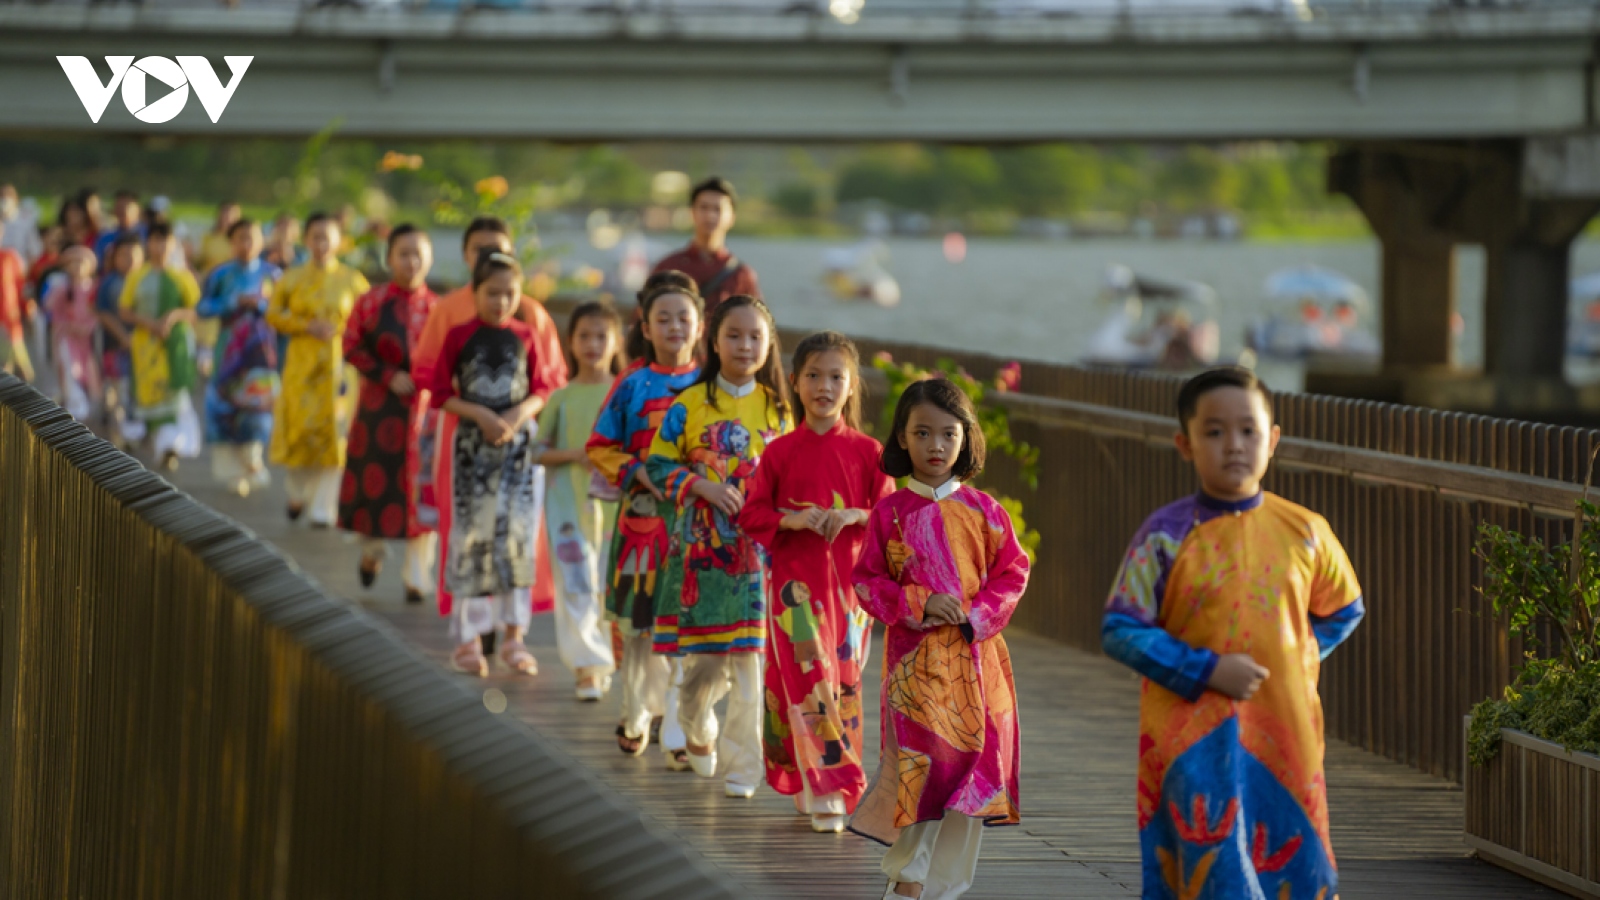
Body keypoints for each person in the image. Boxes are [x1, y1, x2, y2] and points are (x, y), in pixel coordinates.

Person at [1101, 367, 1365, 900]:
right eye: (1215, 431)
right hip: (1190, 737)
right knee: (1210, 869)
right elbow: (1122, 627)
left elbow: (1344, 608)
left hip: (1284, 735)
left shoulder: (1307, 532)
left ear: (1273, 439)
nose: (1235, 445)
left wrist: (1293, 660)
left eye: (1249, 430)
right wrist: (1206, 670)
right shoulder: (1165, 535)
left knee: (1298, 867)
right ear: (1185, 444)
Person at [851, 377, 1029, 900]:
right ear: (902, 438)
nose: (936, 445)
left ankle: (947, 889)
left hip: (978, 665)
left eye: (949, 434)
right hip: (915, 672)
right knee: (922, 771)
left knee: (971, 782)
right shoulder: (889, 513)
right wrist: (919, 602)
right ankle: (907, 879)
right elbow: (866, 581)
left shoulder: (986, 511)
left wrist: (977, 613)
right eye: (922, 433)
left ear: (965, 438)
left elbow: (1014, 572)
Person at [739, 330, 892, 833]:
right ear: (794, 381)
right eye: (813, 375)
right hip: (794, 590)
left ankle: (816, 781)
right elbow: (752, 513)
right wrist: (792, 519)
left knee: (843, 685)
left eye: (835, 377)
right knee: (809, 679)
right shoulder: (779, 452)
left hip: (849, 594)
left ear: (852, 386)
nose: (824, 386)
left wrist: (852, 515)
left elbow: (890, 516)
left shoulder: (870, 452)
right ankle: (833, 788)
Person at [647, 293, 794, 799]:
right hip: (701, 555)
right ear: (714, 341)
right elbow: (657, 466)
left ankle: (743, 768)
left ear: (769, 344)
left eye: (755, 336)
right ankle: (697, 725)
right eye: (734, 335)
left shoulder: (779, 408)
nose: (745, 345)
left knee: (751, 667)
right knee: (705, 666)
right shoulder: (689, 404)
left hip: (757, 557)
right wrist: (702, 487)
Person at [412, 216, 567, 631]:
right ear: (466, 255)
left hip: (517, 438)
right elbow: (429, 374)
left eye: (499, 248)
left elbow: (550, 381)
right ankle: (471, 625)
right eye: (480, 249)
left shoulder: (530, 314)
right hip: (461, 435)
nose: (490, 255)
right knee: (466, 524)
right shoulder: (449, 311)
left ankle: (512, 626)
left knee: (517, 528)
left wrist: (518, 417)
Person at [586, 277, 702, 764]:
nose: (675, 327)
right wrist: (636, 471)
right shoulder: (631, 383)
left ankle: (678, 726)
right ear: (646, 328)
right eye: (663, 318)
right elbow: (600, 446)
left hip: (697, 526)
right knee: (638, 625)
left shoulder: (711, 387)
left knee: (688, 625)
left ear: (701, 326)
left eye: (684, 318)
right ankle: (634, 711)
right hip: (641, 522)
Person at [338, 224, 441, 605]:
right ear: (390, 258)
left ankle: (417, 577)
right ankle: (372, 552)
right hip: (378, 410)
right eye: (404, 253)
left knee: (423, 490)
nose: (411, 261)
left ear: (429, 259)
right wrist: (386, 375)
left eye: (418, 254)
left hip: (426, 415)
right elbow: (350, 344)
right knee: (375, 485)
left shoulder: (439, 309)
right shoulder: (371, 302)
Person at [536, 300, 624, 701]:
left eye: (601, 336)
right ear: (570, 342)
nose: (593, 345)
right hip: (566, 505)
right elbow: (537, 451)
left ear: (616, 342)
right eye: (584, 336)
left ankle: (608, 658)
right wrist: (577, 455)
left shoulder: (625, 392)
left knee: (608, 584)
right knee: (576, 582)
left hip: (616, 507)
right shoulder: (561, 397)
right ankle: (587, 666)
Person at [267, 211, 370, 527]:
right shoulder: (292, 277)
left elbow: (369, 316)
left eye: (328, 237)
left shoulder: (352, 279)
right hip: (301, 364)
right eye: (316, 237)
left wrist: (346, 331)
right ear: (306, 240)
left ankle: (323, 509)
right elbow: (273, 313)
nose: (322, 244)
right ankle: (297, 492)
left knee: (336, 434)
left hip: (339, 368)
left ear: (339, 241)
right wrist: (305, 325)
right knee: (300, 430)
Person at [197, 218, 281, 496]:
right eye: (240, 238)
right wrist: (232, 302)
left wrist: (262, 305)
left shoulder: (274, 275)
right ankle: (231, 471)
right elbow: (203, 308)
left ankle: (253, 460)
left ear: (262, 241)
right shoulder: (220, 275)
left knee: (258, 406)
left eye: (252, 238)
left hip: (261, 353)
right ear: (231, 242)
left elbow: (285, 311)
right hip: (227, 352)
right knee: (224, 405)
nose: (246, 244)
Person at [120, 223, 203, 469]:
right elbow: (125, 310)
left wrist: (174, 316)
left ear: (174, 244)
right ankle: (160, 445)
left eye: (166, 241)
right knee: (150, 395)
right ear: (148, 244)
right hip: (146, 347)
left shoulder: (182, 276)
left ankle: (171, 445)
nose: (161, 246)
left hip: (175, 346)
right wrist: (149, 323)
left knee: (174, 395)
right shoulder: (138, 276)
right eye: (156, 240)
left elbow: (196, 310)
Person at [651, 177, 761, 318]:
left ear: (732, 217)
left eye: (717, 209)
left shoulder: (742, 275)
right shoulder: (669, 267)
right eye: (704, 207)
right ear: (692, 213)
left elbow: (755, 321)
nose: (710, 216)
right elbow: (643, 317)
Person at [45, 245, 101, 420]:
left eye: (81, 262)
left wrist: (89, 326)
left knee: (88, 370)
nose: (76, 267)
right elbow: (53, 309)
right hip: (68, 338)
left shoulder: (93, 288)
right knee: (70, 369)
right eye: (72, 263)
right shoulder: (63, 288)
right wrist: (66, 326)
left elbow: (98, 313)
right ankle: (75, 406)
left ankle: (88, 406)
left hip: (87, 339)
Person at [96, 233, 141, 444]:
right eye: (124, 255)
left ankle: (130, 432)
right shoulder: (110, 283)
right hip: (115, 346)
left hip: (140, 348)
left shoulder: (144, 280)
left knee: (133, 390)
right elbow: (104, 313)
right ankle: (118, 436)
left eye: (134, 255)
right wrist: (123, 336)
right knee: (118, 390)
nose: (129, 260)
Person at [0, 218, 31, 382]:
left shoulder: (10, 257)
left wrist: (27, 308)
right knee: (6, 370)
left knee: (22, 372)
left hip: (11, 321)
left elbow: (20, 287)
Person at [92, 190, 144, 265]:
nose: (121, 211)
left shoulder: (148, 234)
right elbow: (98, 264)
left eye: (125, 207)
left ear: (137, 209)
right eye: (118, 207)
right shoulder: (105, 238)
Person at [197, 201, 243, 276]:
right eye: (225, 214)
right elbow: (198, 261)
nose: (228, 218)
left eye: (232, 215)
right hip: (209, 277)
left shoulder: (241, 241)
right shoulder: (209, 237)